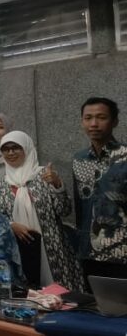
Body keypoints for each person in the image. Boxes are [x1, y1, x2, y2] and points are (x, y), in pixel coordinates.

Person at [0, 131, 84, 290]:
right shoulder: (1, 185)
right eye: (6, 149)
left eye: (16, 148)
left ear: (27, 149)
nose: (10, 152)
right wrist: (11, 225)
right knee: (30, 297)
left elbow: (65, 210)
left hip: (52, 250)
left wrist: (57, 185)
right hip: (20, 250)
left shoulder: (44, 175)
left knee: (60, 298)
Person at [72, 97, 127, 280]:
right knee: (93, 306)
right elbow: (80, 207)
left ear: (115, 121)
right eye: (88, 118)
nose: (93, 124)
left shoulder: (124, 157)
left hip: (121, 252)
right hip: (89, 253)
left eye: (101, 117)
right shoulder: (79, 160)